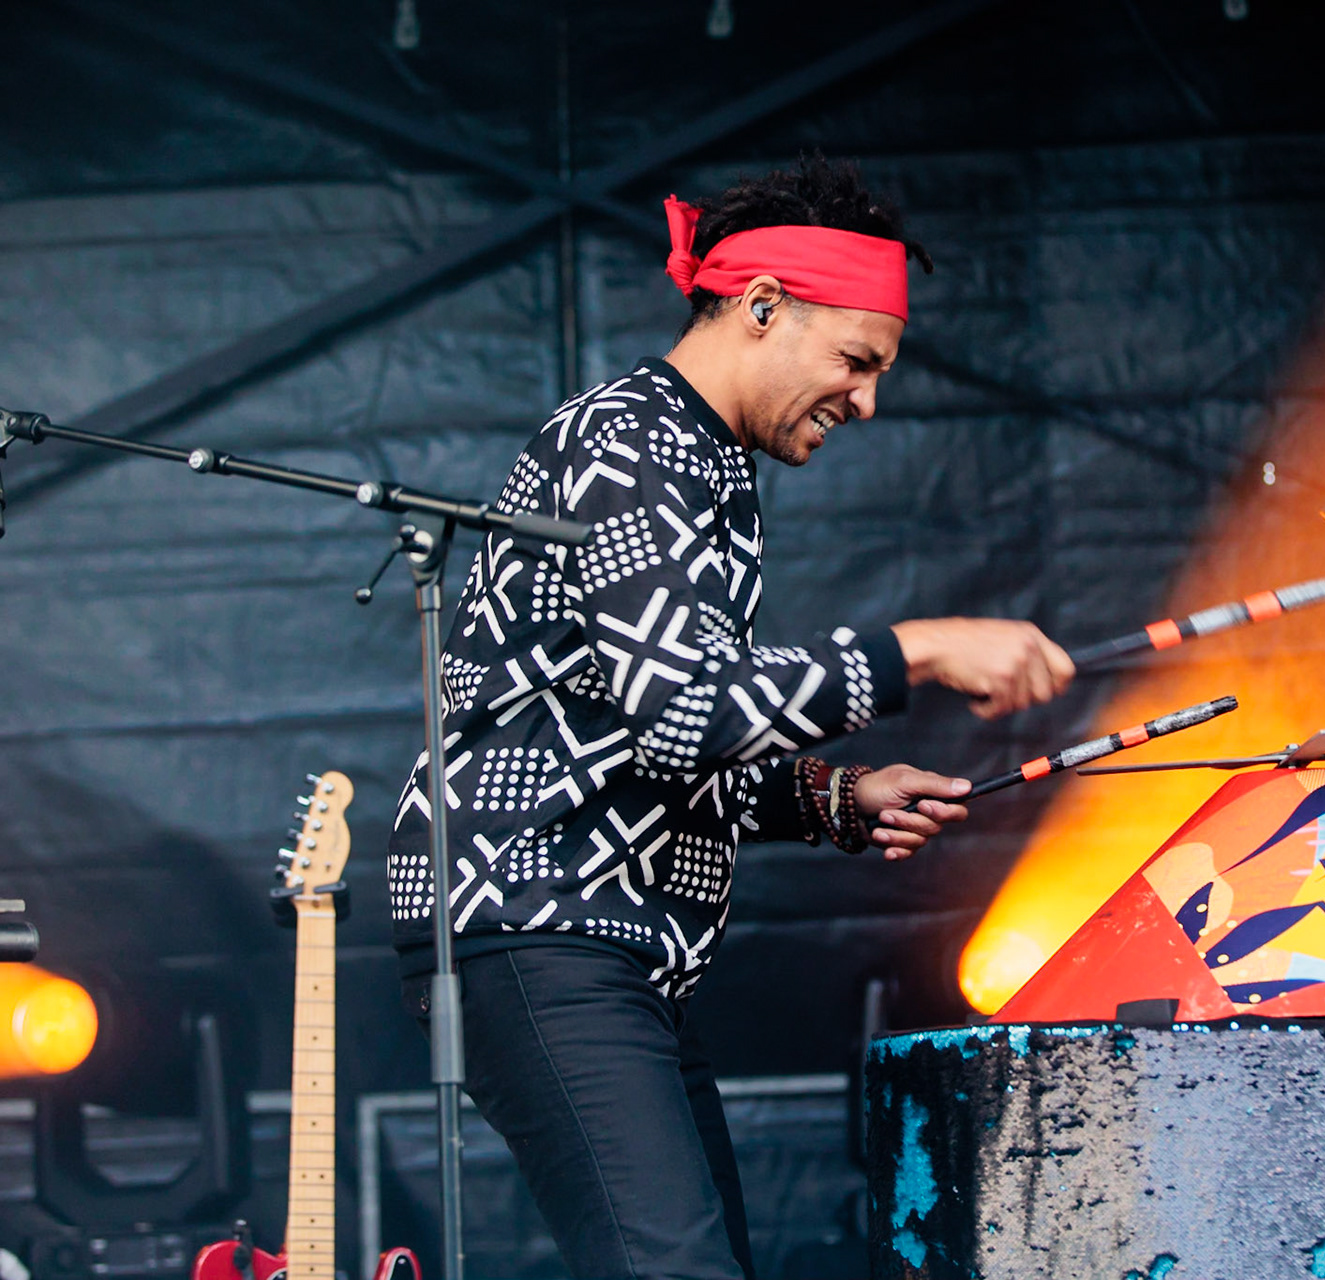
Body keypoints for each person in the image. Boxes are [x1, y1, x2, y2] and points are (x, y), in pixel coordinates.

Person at [386, 156, 1074, 1280]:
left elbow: (638, 731)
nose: (867, 399)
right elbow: (689, 709)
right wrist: (921, 648)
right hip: (532, 916)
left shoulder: (703, 459)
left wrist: (830, 795)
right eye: (857, 361)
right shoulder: (630, 443)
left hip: (604, 939)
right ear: (761, 307)